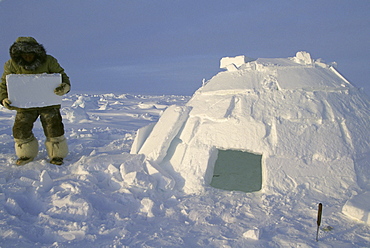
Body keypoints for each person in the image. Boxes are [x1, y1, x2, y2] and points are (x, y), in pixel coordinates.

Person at [0, 37, 71, 165]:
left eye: (31, 54)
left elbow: (62, 75)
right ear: (19, 55)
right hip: (24, 105)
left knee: (54, 127)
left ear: (37, 53)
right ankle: (26, 154)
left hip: (48, 103)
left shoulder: (49, 61)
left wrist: (65, 86)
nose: (28, 57)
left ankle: (57, 155)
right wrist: (3, 98)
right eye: (25, 55)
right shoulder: (11, 64)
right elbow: (4, 84)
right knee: (20, 129)